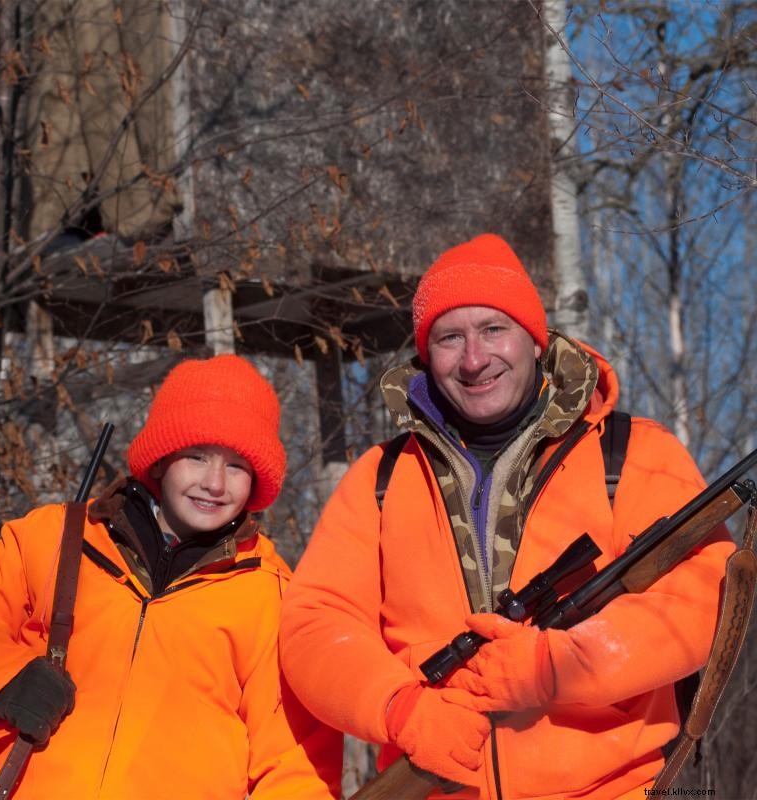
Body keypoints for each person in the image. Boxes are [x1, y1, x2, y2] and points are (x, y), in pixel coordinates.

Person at [279, 234, 733, 800]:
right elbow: (315, 628)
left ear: (535, 340)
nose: (474, 359)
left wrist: (557, 666)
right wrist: (401, 708)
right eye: (450, 337)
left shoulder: (635, 453)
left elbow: (696, 600)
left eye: (493, 329)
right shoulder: (380, 478)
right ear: (426, 356)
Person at [0, 354, 342, 800]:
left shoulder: (272, 598)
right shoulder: (58, 539)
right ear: (160, 460)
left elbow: (296, 768)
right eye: (197, 456)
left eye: (236, 465)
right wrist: (2, 678)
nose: (215, 483)